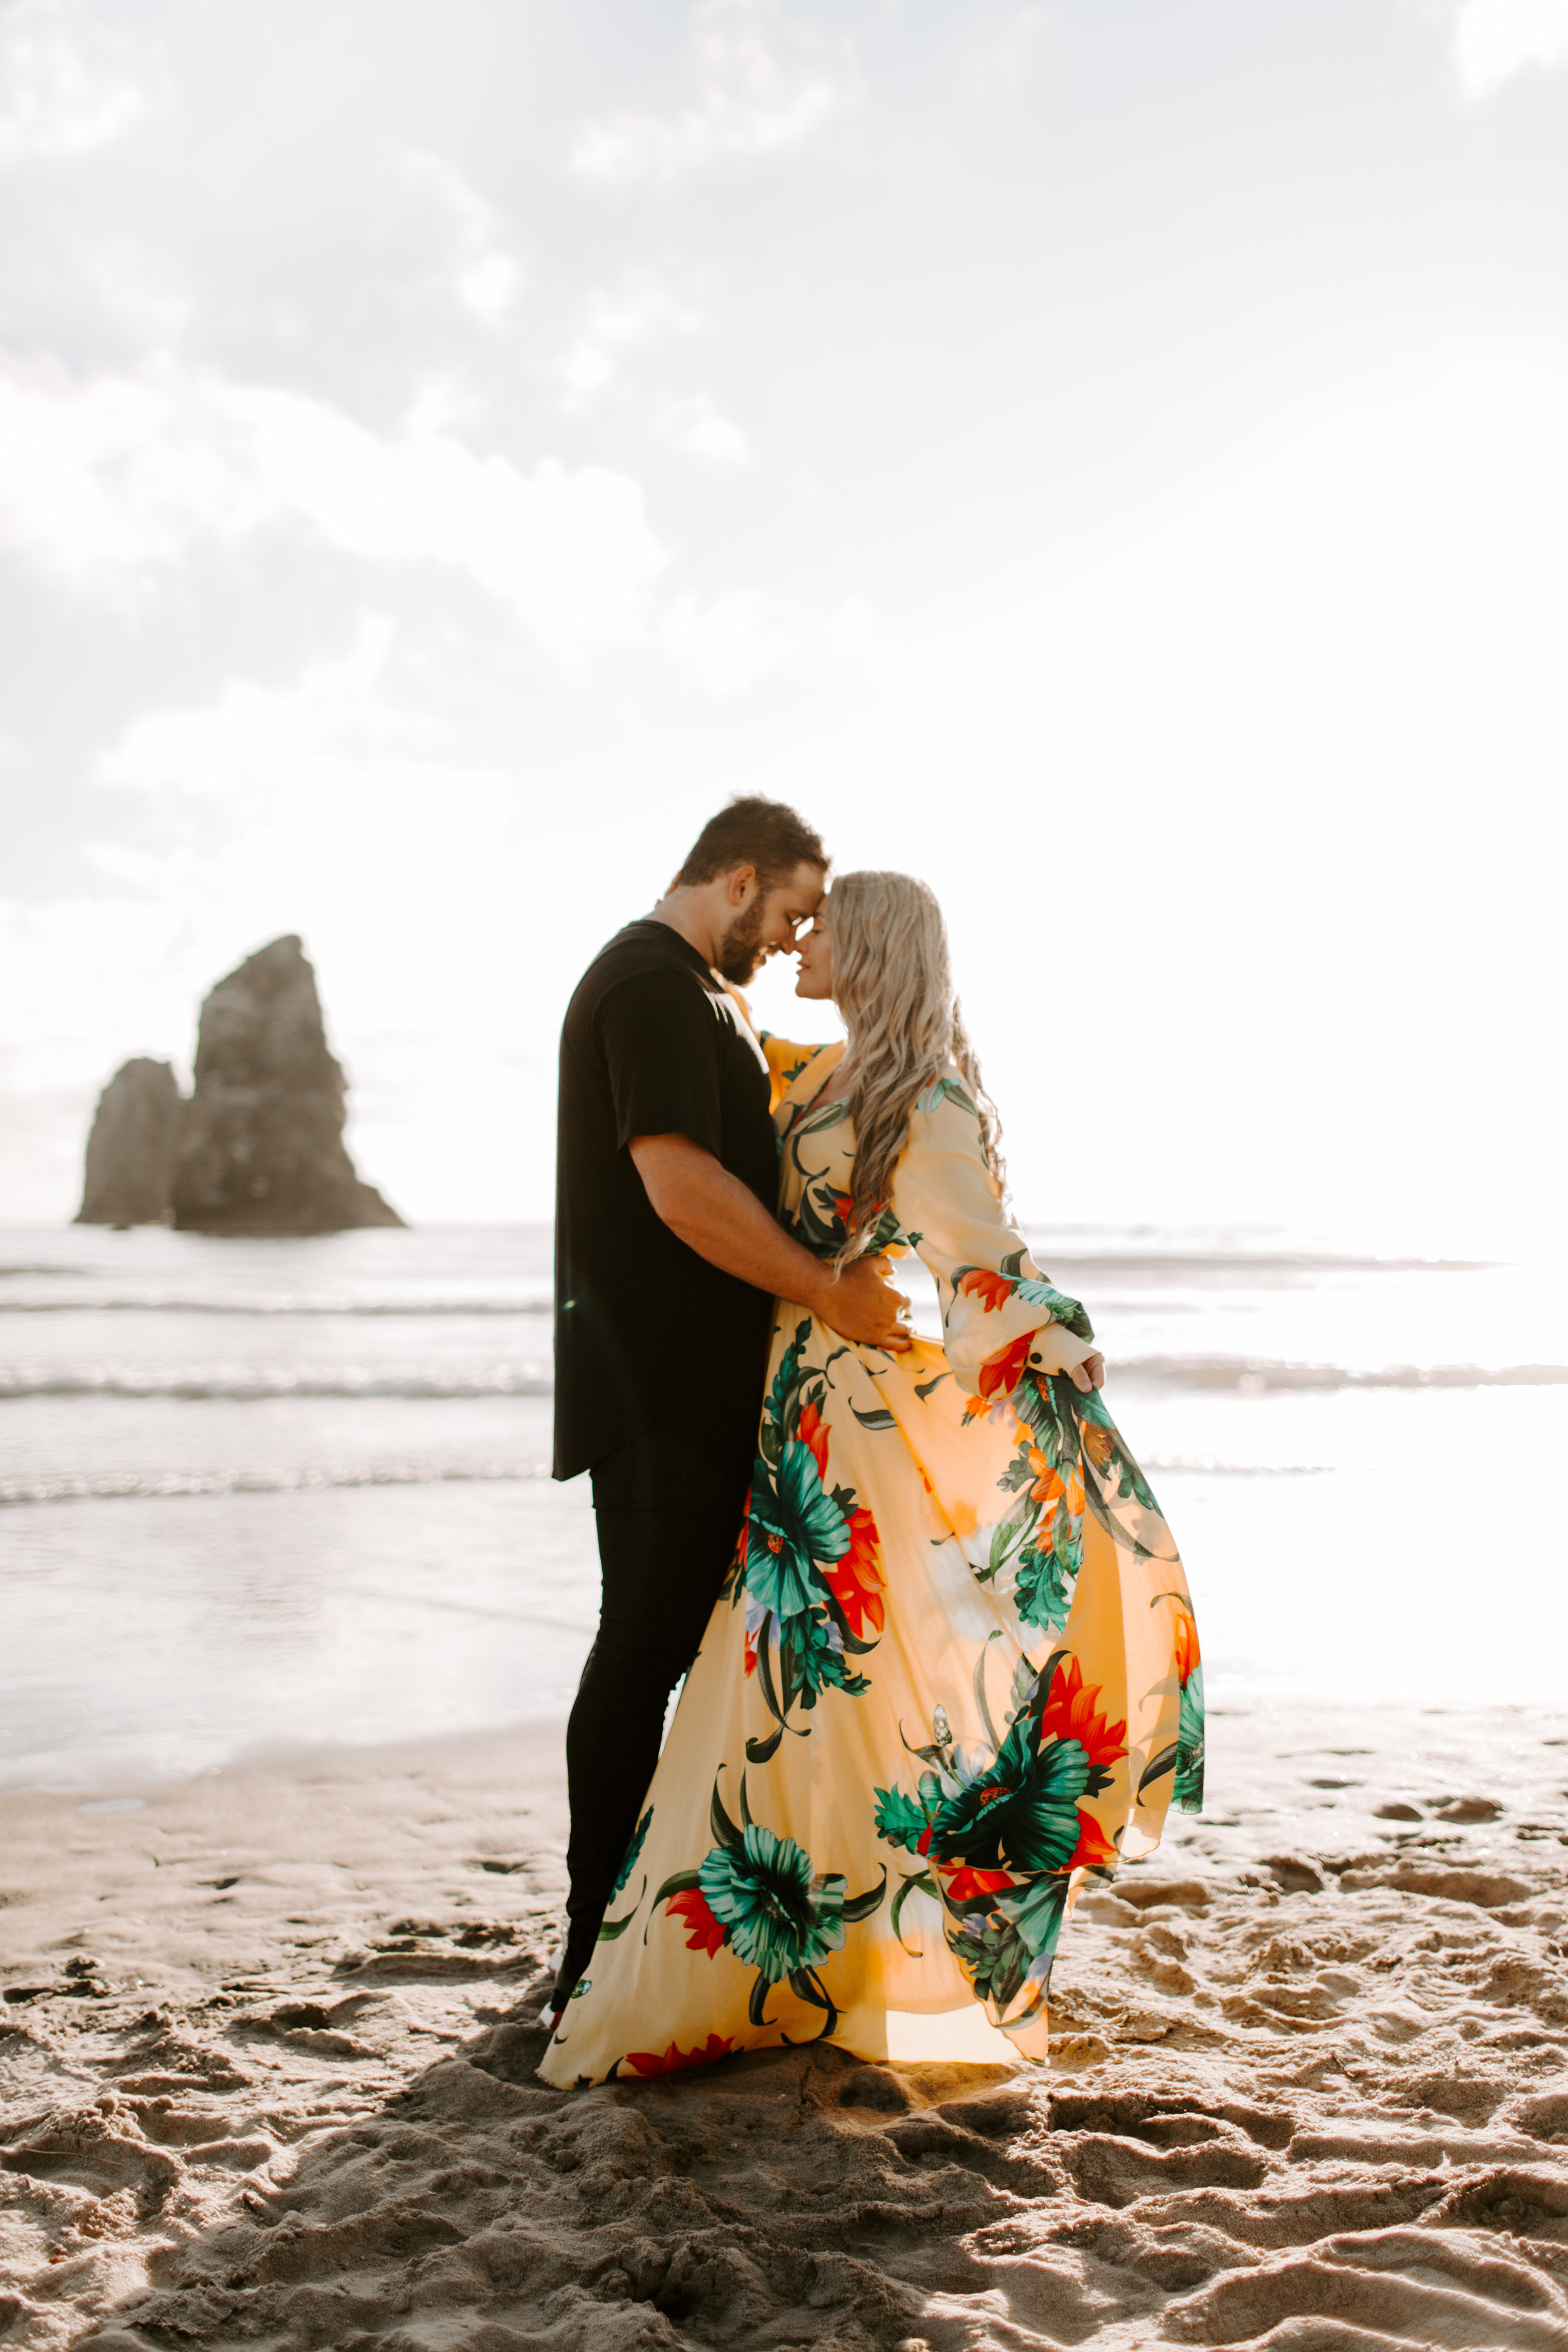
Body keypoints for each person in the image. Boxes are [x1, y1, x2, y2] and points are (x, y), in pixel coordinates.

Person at [538, 869, 1204, 2083]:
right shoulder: (814, 1069)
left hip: (844, 1425)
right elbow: (716, 1088)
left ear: (877, 944)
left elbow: (979, 1256)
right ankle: (767, 1958)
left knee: (813, 1688)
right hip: (783, 1409)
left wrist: (1054, 1337)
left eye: (824, 923)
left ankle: (828, 1964)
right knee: (781, 1699)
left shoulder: (922, 1100)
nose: (801, 938)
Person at [544, 802, 913, 2032]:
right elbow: (679, 1182)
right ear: (737, 877)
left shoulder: (700, 994)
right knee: (641, 1649)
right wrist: (825, 1293)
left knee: (674, 1658)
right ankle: (590, 1942)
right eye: (794, 908)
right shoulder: (652, 983)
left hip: (698, 1391)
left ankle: (644, 1924)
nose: (798, 931)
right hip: (654, 1389)